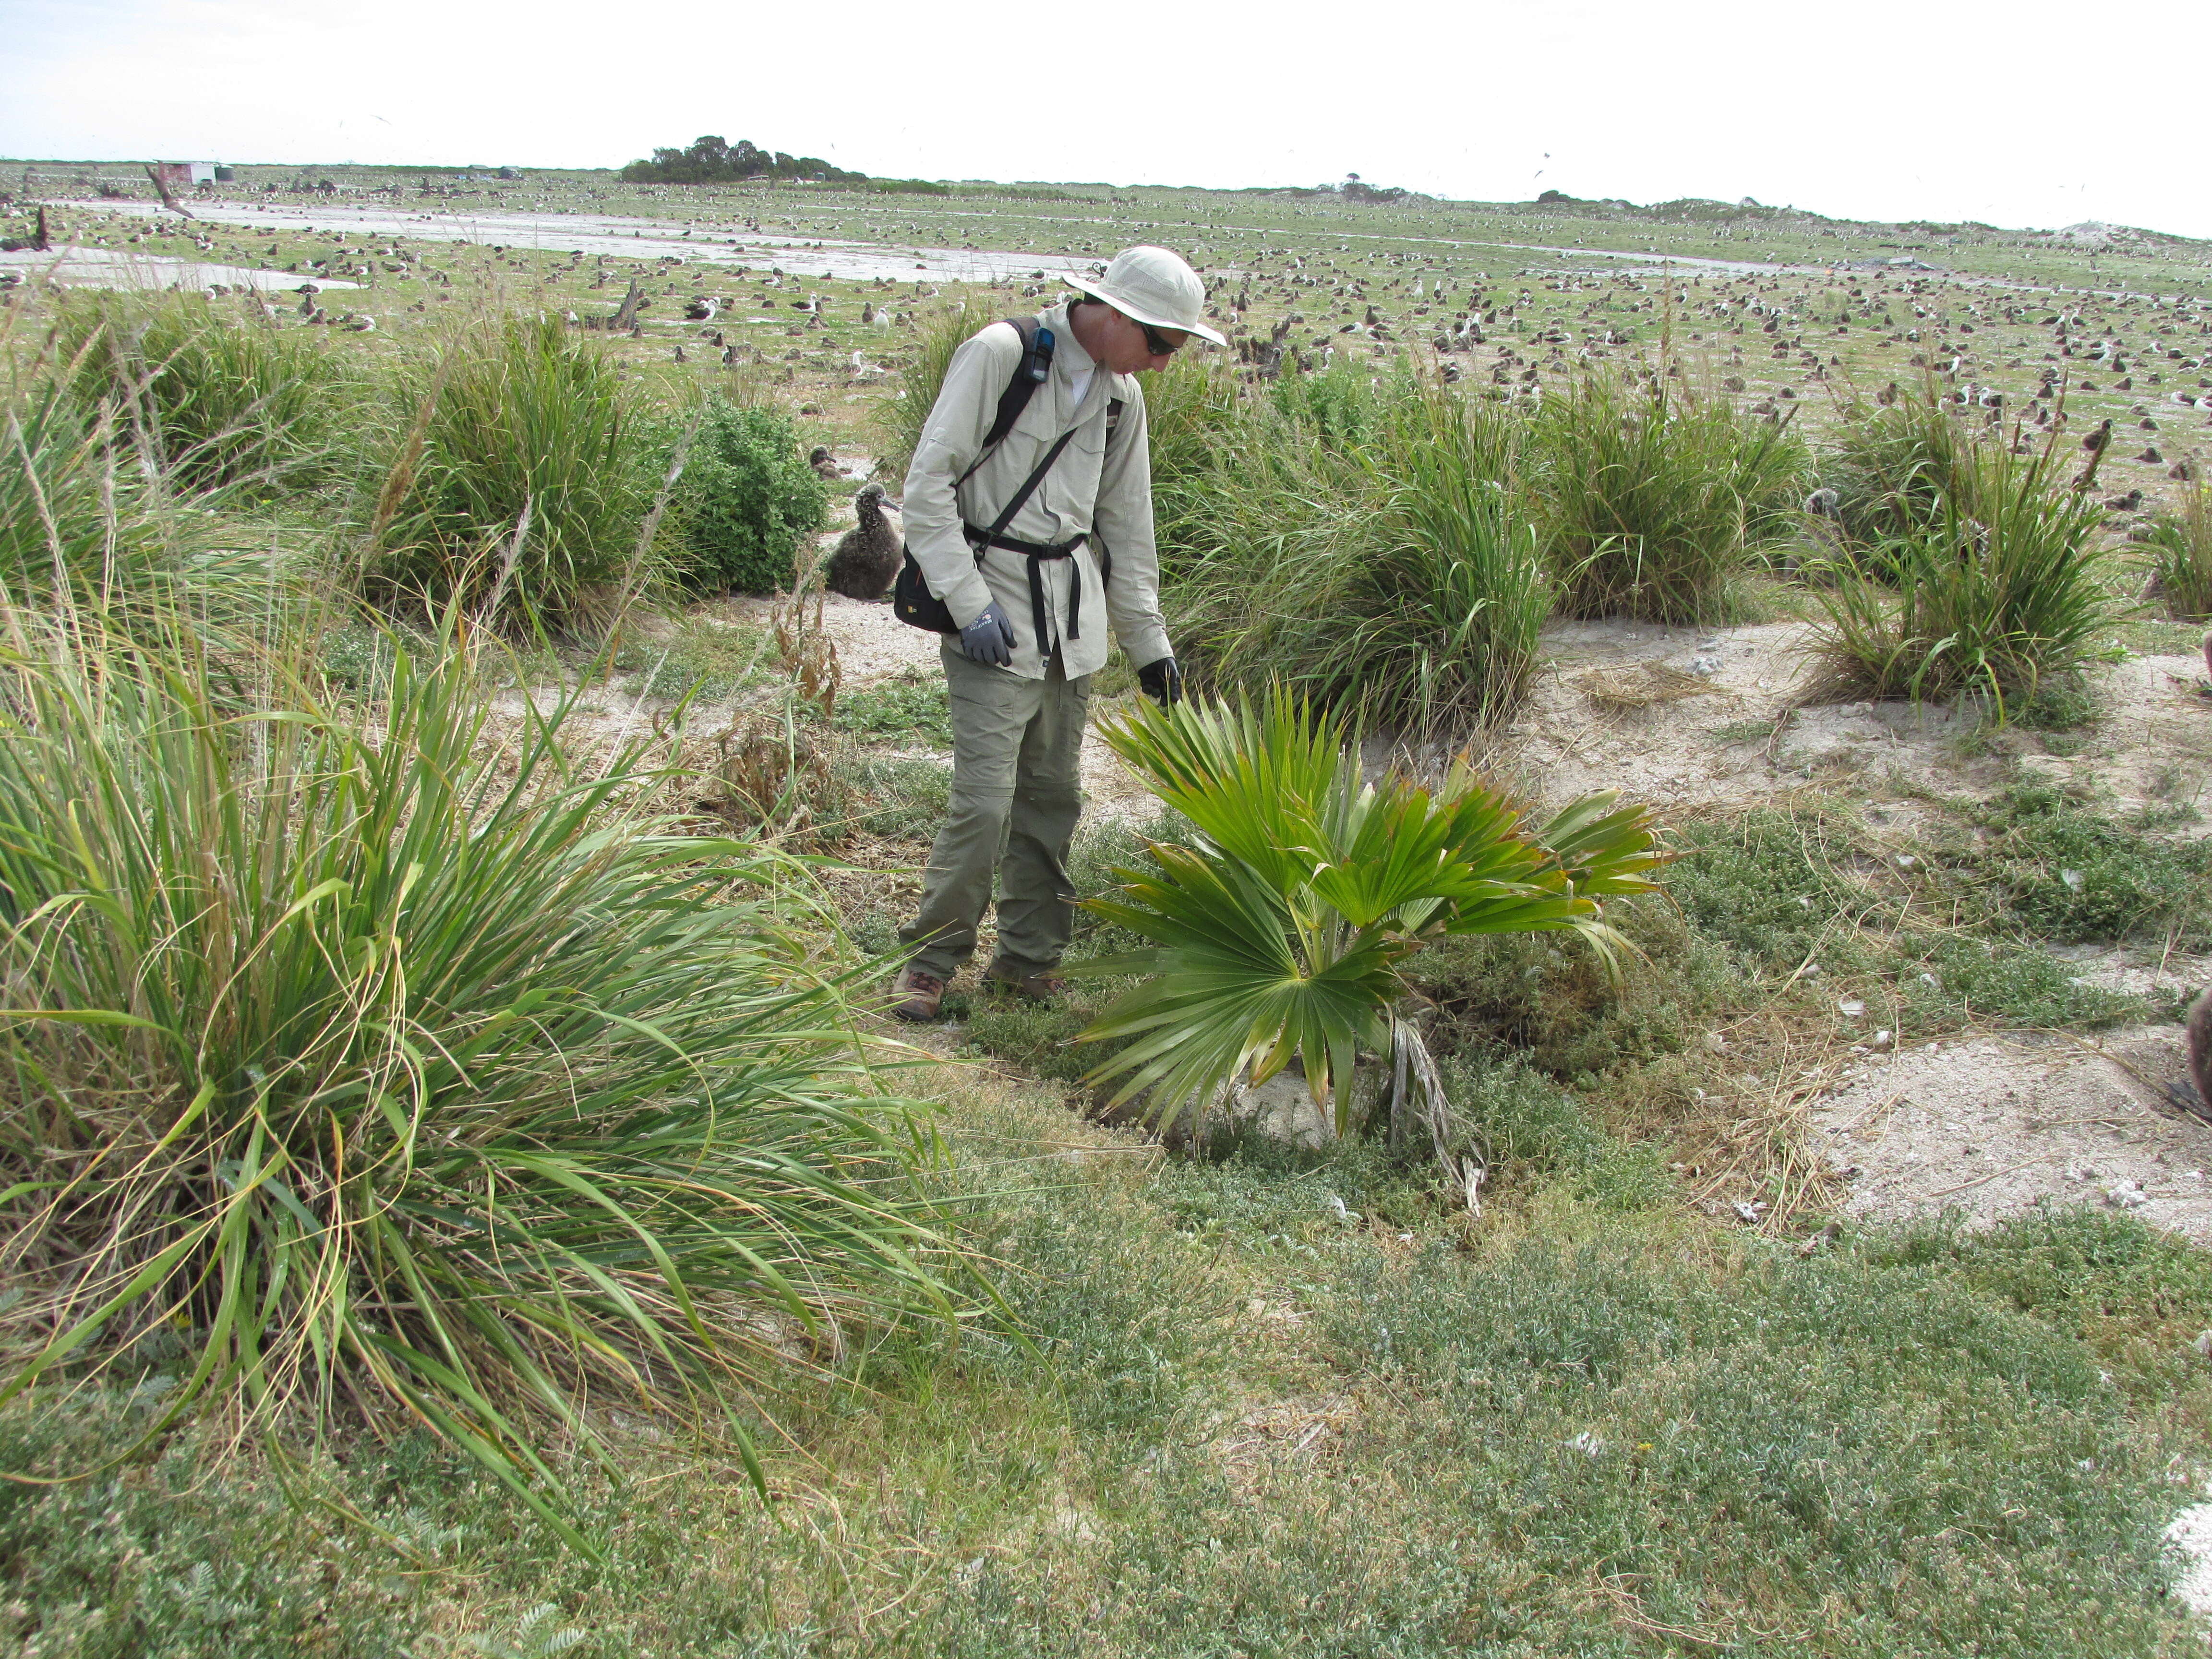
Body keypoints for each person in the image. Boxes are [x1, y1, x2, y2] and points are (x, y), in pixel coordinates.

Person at [890, 245, 1225, 1022]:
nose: (1166, 364)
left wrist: (1153, 650)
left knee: (1052, 800)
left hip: (1072, 625)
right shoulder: (1002, 355)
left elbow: (1128, 531)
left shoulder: (1121, 400)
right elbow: (927, 489)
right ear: (1114, 316)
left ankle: (1028, 962)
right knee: (984, 802)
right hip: (994, 614)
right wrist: (970, 605)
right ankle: (930, 963)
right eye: (1162, 344)